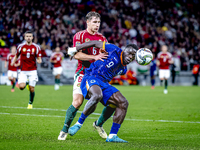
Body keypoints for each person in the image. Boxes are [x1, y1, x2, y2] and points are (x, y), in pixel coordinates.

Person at [67, 40, 138, 143]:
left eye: (134, 56)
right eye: (130, 53)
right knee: (97, 95)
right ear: (124, 51)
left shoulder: (123, 69)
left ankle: (112, 136)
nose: (131, 57)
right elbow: (95, 42)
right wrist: (75, 49)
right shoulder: (113, 49)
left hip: (104, 83)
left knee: (122, 102)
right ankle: (78, 124)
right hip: (91, 77)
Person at [58, 11, 114, 140]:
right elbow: (76, 54)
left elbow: (106, 56)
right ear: (87, 22)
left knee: (113, 102)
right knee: (77, 102)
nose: (97, 25)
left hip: (98, 76)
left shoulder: (102, 38)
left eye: (99, 22)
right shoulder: (80, 36)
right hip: (83, 73)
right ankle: (64, 130)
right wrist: (95, 57)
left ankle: (98, 124)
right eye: (94, 22)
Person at [11, 31, 42, 109]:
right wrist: (13, 62)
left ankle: (30, 103)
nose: (28, 37)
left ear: (32, 37)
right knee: (21, 87)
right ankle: (27, 83)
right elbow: (16, 55)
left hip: (33, 70)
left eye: (30, 36)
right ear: (25, 37)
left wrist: (39, 60)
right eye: (27, 36)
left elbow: (39, 58)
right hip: (23, 70)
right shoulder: (20, 46)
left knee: (32, 89)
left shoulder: (36, 47)